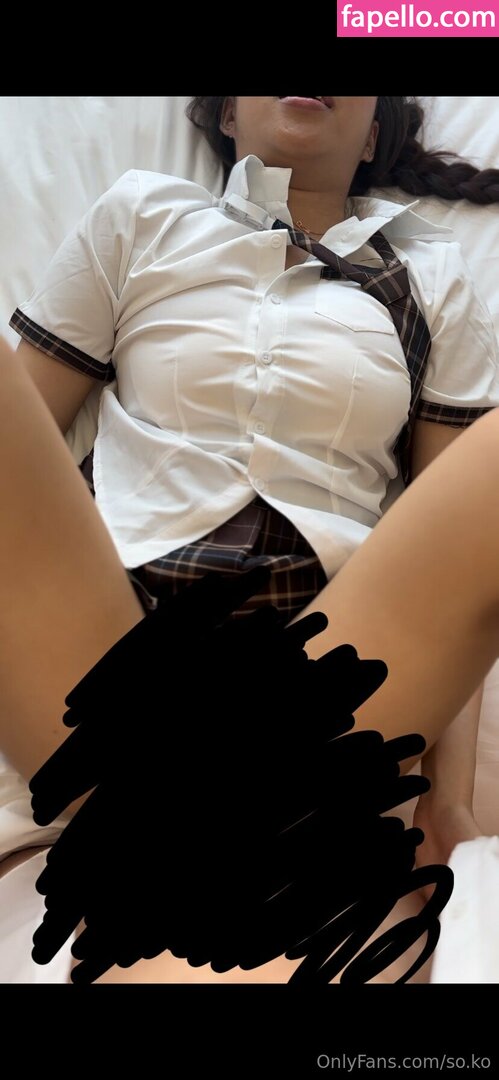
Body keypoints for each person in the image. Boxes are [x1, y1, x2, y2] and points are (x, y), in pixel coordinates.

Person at [1, 95, 499, 983]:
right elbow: (22, 454)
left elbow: (449, 556)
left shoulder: (429, 273)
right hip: (109, 665)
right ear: (226, 117)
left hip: (324, 682)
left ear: (374, 131)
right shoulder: (142, 213)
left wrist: (446, 807)